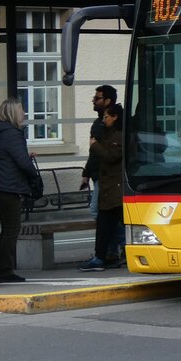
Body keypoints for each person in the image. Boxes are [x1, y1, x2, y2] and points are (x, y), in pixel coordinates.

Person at [0, 97, 37, 284]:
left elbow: (9, 159)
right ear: (13, 113)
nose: (24, 113)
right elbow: (22, 162)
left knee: (7, 230)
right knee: (11, 230)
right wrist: (33, 175)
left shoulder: (0, 133)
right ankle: (4, 270)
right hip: (10, 188)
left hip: (1, 186)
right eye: (21, 109)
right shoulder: (12, 134)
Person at [79, 102, 124, 272]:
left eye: (107, 117)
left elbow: (111, 155)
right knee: (105, 225)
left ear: (115, 117)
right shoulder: (107, 133)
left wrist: (95, 145)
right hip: (108, 189)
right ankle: (101, 257)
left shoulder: (119, 135)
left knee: (117, 223)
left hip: (115, 188)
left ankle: (108, 255)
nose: (104, 120)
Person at [79, 85, 116, 221]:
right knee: (101, 212)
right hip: (98, 175)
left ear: (107, 101)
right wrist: (86, 174)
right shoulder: (97, 123)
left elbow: (110, 151)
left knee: (97, 211)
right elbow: (93, 152)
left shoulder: (115, 123)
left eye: (97, 98)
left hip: (107, 175)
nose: (93, 101)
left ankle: (115, 235)